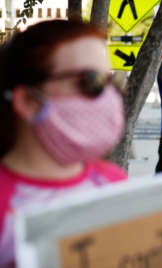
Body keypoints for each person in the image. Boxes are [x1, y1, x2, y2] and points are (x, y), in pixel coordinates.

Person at [0, 20, 127, 266]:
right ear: (28, 101)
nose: (109, 98)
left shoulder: (114, 181)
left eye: (112, 82)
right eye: (91, 82)